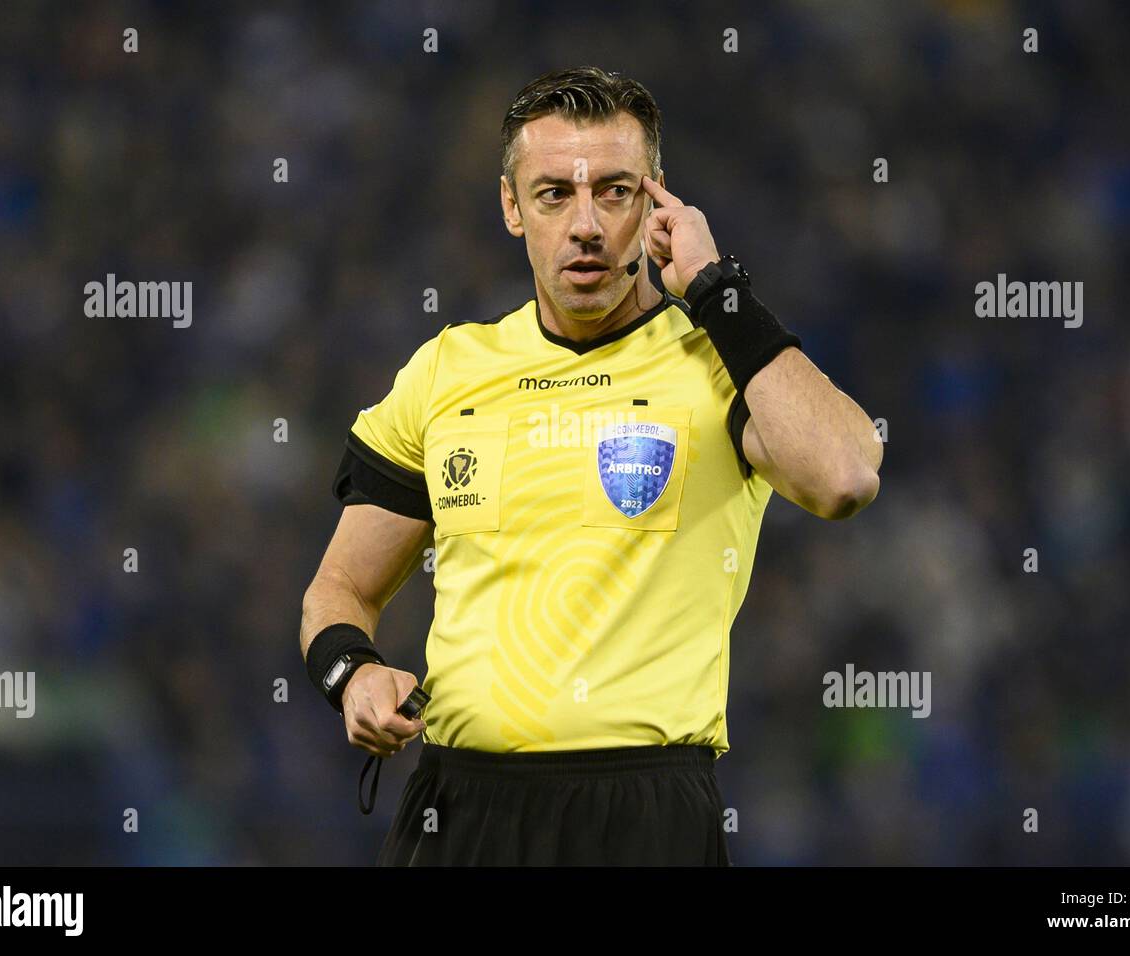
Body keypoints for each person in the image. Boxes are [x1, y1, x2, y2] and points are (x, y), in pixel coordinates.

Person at [299, 66, 883, 866]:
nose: (586, 226)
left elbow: (846, 474)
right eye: (553, 195)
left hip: (642, 817)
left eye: (613, 192)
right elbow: (341, 589)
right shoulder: (447, 370)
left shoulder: (718, 361)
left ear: (656, 202)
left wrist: (717, 289)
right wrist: (352, 673)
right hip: (459, 810)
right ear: (511, 207)